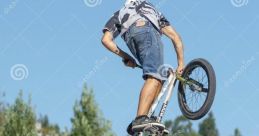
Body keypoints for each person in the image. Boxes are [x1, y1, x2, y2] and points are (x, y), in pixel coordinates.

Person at [101, 0, 184, 134]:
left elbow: (106, 40)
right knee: (154, 77)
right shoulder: (150, 8)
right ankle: (140, 118)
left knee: (158, 79)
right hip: (147, 31)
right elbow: (175, 37)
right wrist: (181, 63)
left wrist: (126, 56)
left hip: (130, 39)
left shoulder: (119, 14)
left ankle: (145, 118)